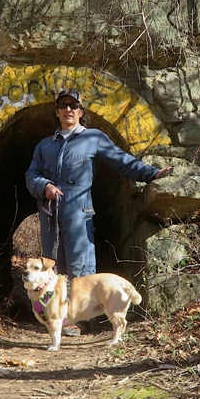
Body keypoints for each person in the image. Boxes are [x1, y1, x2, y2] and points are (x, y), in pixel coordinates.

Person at [25, 89, 173, 281]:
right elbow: (31, 175)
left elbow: (122, 160)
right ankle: (56, 312)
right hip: (50, 214)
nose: (68, 109)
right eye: (63, 105)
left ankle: (85, 312)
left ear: (80, 112)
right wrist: (45, 186)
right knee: (52, 272)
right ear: (57, 112)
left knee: (82, 272)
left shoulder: (93, 138)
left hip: (79, 211)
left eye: (73, 105)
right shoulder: (44, 145)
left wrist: (151, 173)